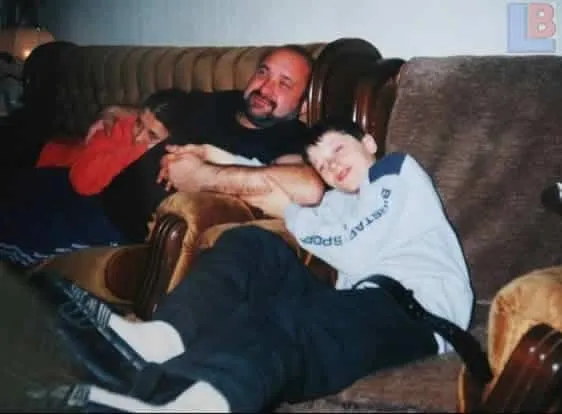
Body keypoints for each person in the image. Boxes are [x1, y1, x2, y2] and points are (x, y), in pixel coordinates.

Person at [28, 119, 474, 412]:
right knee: (253, 245)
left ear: (369, 142)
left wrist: (296, 213)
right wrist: (214, 156)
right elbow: (270, 180)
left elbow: (353, 249)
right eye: (319, 164)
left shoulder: (396, 173)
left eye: (338, 149)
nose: (330, 165)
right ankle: (156, 343)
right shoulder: (339, 206)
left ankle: (190, 406)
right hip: (361, 302)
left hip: (420, 313)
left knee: (287, 322)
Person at [99, 44, 324, 242]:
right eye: (263, 72)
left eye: (284, 84)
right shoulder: (223, 100)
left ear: (303, 106)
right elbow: (157, 114)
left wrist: (204, 173)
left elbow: (304, 186)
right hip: (100, 201)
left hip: (125, 237)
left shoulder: (292, 138)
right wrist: (114, 112)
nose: (264, 88)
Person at [0, 88, 192, 267]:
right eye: (139, 124)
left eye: (151, 135)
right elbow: (82, 181)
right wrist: (139, 146)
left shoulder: (175, 158)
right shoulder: (121, 126)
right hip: (48, 156)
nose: (139, 136)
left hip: (60, 170)